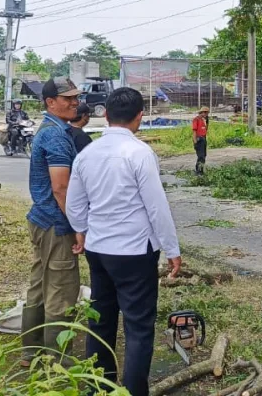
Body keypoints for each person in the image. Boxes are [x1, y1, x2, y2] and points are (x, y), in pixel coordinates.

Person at [66, 88, 181, 396]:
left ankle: (98, 387)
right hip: (133, 252)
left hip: (99, 250)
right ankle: (132, 391)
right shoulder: (139, 153)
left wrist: (81, 230)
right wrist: (172, 249)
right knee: (138, 326)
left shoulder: (87, 153)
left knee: (100, 320)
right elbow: (157, 206)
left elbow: (75, 204)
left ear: (105, 115)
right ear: (139, 117)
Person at [21, 77, 81, 366]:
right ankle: (59, 362)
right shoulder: (56, 135)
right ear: (50, 102)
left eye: (75, 98)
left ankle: (30, 352)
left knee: (40, 283)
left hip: (41, 219)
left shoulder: (50, 129)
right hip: (56, 225)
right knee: (61, 289)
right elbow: (61, 188)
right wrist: (78, 227)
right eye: (67, 98)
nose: (74, 103)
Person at [193, 106, 210, 175]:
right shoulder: (196, 119)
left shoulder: (205, 120)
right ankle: (198, 171)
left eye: (207, 113)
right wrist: (195, 142)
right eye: (205, 113)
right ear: (201, 112)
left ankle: (201, 170)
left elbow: (206, 129)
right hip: (198, 139)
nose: (206, 114)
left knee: (204, 155)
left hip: (203, 138)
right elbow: (194, 131)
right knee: (200, 156)